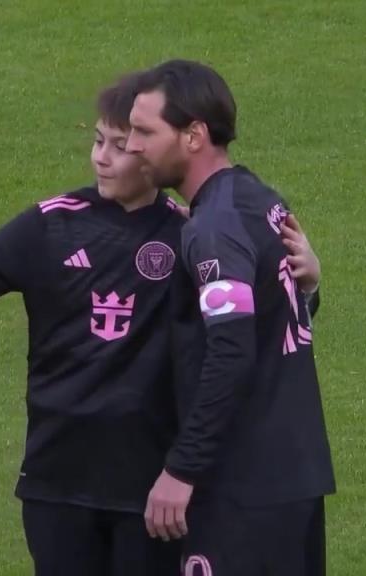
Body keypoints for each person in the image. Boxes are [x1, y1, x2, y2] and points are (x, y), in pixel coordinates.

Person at [0, 75, 323, 575]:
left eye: (123, 145)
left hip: (152, 489)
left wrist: (304, 285)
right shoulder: (50, 224)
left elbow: (244, 328)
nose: (102, 158)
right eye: (98, 141)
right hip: (58, 480)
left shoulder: (187, 233)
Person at [126, 59, 336, 576]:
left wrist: (182, 469)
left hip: (241, 489)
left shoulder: (214, 229)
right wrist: (310, 290)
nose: (132, 146)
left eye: (145, 132)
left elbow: (233, 350)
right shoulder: (259, 199)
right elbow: (271, 317)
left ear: (194, 135)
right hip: (294, 478)